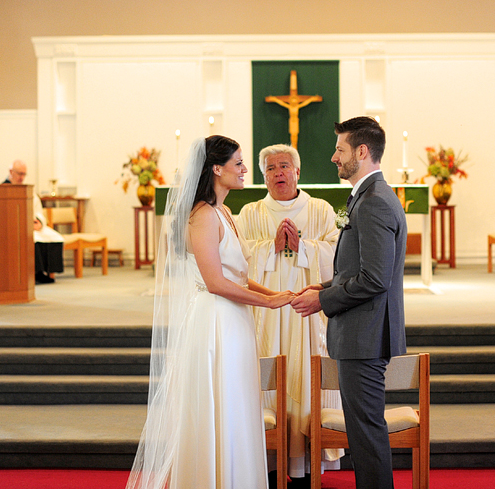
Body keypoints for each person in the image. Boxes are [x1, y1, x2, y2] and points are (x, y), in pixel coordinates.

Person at [127, 135, 296, 489]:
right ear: (216, 168)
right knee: (216, 407)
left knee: (235, 407)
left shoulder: (225, 211)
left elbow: (239, 275)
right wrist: (267, 303)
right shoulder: (202, 215)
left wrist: (277, 293)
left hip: (234, 319)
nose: (245, 169)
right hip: (215, 320)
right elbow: (216, 282)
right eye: (238, 163)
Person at [291, 116, 407, 489]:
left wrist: (323, 300)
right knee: (363, 432)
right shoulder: (365, 196)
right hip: (361, 333)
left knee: (367, 434)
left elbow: (375, 278)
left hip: (365, 337)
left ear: (362, 151)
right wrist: (322, 286)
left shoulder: (374, 202)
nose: (333, 157)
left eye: (340, 149)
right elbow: (358, 268)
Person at [236, 144, 343, 486]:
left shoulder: (321, 209)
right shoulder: (249, 213)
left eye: (285, 166)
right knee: (268, 379)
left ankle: (309, 467)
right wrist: (269, 247)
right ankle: (267, 463)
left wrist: (305, 248)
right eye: (270, 168)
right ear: (263, 175)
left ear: (298, 172)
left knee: (307, 376)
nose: (278, 173)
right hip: (265, 314)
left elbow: (337, 255)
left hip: (308, 314)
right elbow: (237, 260)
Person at [4, 159, 65, 284]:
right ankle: (36, 273)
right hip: (17, 227)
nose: (22, 177)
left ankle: (49, 272)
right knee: (33, 239)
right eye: (19, 173)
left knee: (55, 237)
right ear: (11, 172)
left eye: (24, 174)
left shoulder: (29, 190)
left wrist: (39, 222)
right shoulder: (3, 190)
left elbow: (38, 211)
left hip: (33, 225)